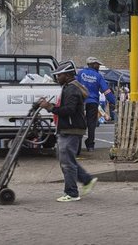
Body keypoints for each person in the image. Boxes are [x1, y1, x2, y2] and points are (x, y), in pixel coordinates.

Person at [37, 61, 98, 202]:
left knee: (67, 163)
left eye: (59, 75)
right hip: (68, 129)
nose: (57, 78)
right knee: (67, 159)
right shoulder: (69, 87)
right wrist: (50, 106)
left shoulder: (72, 89)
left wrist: (49, 107)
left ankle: (71, 193)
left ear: (68, 75)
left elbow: (69, 110)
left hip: (71, 130)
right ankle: (86, 179)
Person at [76, 57, 115, 152]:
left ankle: (77, 146)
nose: (99, 66)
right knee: (91, 125)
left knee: (79, 124)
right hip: (92, 103)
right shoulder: (98, 76)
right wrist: (114, 102)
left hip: (81, 103)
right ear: (92, 64)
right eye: (98, 64)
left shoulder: (80, 73)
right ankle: (90, 145)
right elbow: (106, 91)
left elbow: (74, 84)